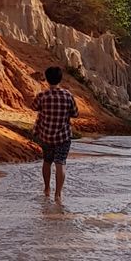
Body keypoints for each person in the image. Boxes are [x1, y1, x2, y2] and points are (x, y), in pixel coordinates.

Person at [34, 65, 78, 200]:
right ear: (60, 79)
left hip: (46, 135)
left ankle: (47, 188)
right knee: (60, 163)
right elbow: (75, 113)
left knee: (47, 161)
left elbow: (34, 107)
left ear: (47, 79)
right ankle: (58, 194)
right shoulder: (67, 95)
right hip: (63, 136)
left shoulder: (42, 95)